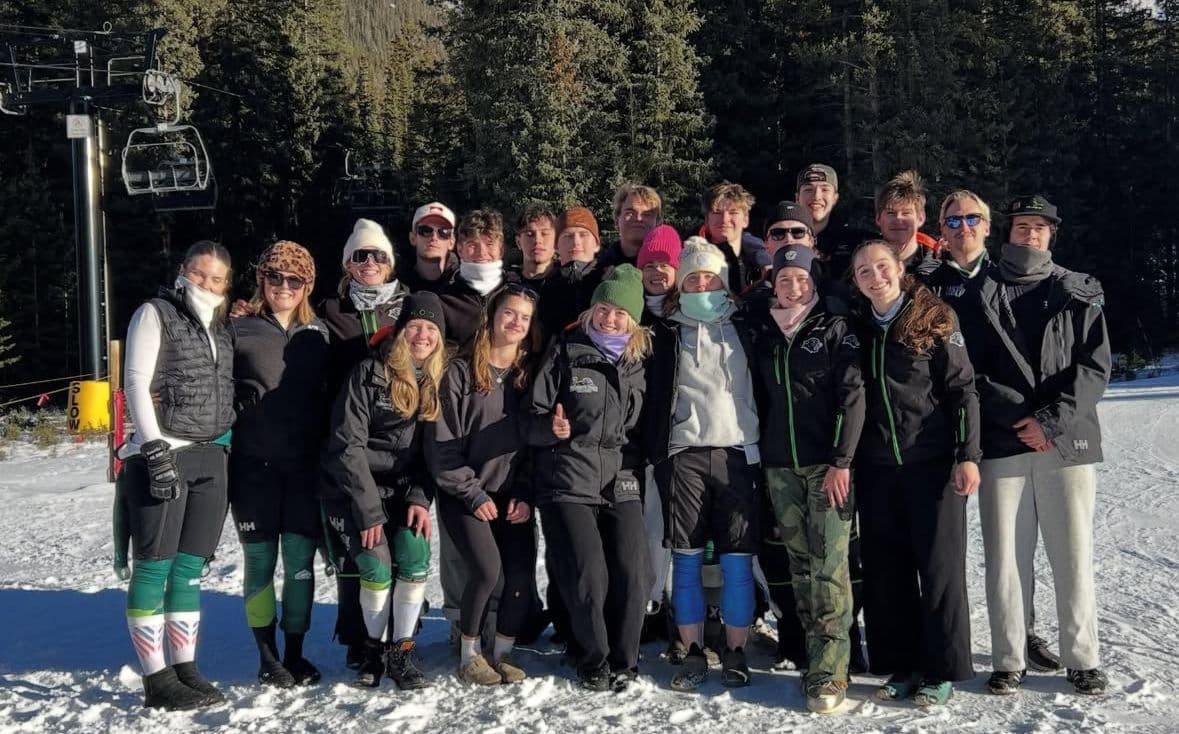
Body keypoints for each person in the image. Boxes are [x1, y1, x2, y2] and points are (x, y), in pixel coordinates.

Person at [973, 195, 1111, 696]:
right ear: (1005, 233)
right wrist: (1018, 419)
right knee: (1005, 557)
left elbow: (1095, 369)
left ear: (1052, 234)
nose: (1028, 235)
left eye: (1038, 227)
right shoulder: (980, 290)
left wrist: (1049, 421)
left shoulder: (1078, 290)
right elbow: (971, 370)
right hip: (1003, 440)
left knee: (1072, 553)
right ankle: (1009, 657)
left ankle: (1083, 657)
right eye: (1020, 227)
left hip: (1066, 441)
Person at [849, 240, 981, 707]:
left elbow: (962, 390)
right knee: (888, 572)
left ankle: (939, 669)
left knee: (939, 570)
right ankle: (901, 665)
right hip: (878, 468)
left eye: (881, 266)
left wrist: (967, 454)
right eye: (864, 271)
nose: (874, 276)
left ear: (900, 267)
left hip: (931, 465)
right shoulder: (857, 327)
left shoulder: (934, 317)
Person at [117, 241, 235, 710]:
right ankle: (156, 677)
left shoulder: (222, 325)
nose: (207, 283)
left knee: (188, 570)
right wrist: (153, 447)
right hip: (165, 451)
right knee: (154, 565)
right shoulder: (155, 312)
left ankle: (185, 667)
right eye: (200, 274)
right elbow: (136, 381)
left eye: (217, 278)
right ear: (184, 271)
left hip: (211, 454)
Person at [749, 244, 866, 713]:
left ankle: (831, 671)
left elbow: (853, 396)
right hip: (780, 466)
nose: (792, 286)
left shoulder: (833, 327)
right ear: (773, 284)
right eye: (784, 279)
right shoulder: (764, 334)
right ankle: (811, 654)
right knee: (799, 566)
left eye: (800, 278)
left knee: (829, 567)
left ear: (813, 282)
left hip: (826, 466)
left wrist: (842, 460)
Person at [643, 239, 762, 691]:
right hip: (684, 453)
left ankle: (735, 649)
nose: (702, 283)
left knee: (736, 559)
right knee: (687, 558)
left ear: (724, 281)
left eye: (710, 277)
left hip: (738, 451)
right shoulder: (665, 331)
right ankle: (691, 650)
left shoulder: (747, 327)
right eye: (693, 277)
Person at [527, 265, 652, 692]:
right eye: (603, 308)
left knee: (635, 569)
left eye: (620, 313)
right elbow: (532, 415)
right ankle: (592, 657)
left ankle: (625, 659)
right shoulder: (565, 351)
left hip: (621, 477)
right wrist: (550, 430)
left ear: (632, 320)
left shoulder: (638, 363)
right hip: (568, 476)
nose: (609, 318)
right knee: (589, 574)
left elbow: (643, 429)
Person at [319, 292, 445, 690]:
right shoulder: (367, 373)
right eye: (414, 326)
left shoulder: (437, 380)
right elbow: (347, 445)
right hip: (352, 489)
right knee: (374, 565)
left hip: (404, 490)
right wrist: (369, 510)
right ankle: (372, 647)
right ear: (400, 330)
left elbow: (435, 452)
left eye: (431, 328)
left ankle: (402, 650)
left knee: (414, 551)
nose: (422, 335)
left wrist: (420, 500)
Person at [428, 284, 544, 685]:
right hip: (465, 490)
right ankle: (470, 652)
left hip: (512, 493)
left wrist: (526, 493)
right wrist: (473, 493)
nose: (515, 323)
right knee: (486, 570)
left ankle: (504, 652)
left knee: (520, 575)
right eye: (509, 313)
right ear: (492, 315)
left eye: (524, 318)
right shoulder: (459, 371)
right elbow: (442, 448)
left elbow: (533, 444)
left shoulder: (528, 376)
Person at [228, 241, 328, 688]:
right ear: (261, 280)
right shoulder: (238, 328)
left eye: (294, 279)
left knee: (300, 563)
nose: (283, 287)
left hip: (305, 468)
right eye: (275, 277)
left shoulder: (320, 333)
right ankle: (266, 656)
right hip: (254, 468)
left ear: (307, 285)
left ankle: (295, 653)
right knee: (260, 562)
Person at [318, 217, 410, 667]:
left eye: (377, 255)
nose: (369, 262)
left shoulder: (410, 309)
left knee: (395, 543)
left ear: (391, 263)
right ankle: (359, 636)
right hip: (346, 442)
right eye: (360, 255)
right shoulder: (330, 310)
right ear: (347, 264)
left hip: (398, 446)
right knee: (358, 548)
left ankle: (397, 631)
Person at [439, 208, 515, 349]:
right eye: (472, 245)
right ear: (460, 250)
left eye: (490, 244)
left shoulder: (517, 291)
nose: (482, 252)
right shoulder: (444, 299)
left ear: (501, 250)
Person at [795, 163, 871, 279]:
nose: (816, 196)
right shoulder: (781, 238)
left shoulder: (857, 242)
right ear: (797, 198)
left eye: (825, 189)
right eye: (808, 189)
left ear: (835, 198)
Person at [541, 206, 606, 336]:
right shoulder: (545, 286)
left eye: (583, 235)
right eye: (568, 236)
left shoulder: (609, 281)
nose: (576, 242)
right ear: (556, 246)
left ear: (597, 244)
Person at [699, 182, 772, 293]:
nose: (724, 219)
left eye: (733, 212)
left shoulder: (758, 252)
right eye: (717, 212)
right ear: (707, 219)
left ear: (745, 219)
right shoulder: (689, 251)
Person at [874, 171, 940, 281]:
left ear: (920, 218)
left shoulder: (939, 266)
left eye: (906, 213)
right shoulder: (865, 267)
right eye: (891, 213)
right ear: (878, 218)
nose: (898, 219)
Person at [600, 183, 663, 268]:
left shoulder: (670, 270)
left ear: (658, 223)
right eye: (630, 213)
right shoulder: (598, 271)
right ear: (616, 220)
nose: (638, 218)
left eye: (647, 214)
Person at [400, 202, 459, 293]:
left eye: (443, 232)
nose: (434, 237)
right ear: (413, 238)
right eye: (425, 230)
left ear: (452, 242)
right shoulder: (395, 288)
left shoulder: (465, 284)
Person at [513, 207, 558, 284]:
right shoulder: (505, 286)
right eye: (530, 234)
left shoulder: (572, 284)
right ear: (518, 242)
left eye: (544, 234)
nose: (537, 240)